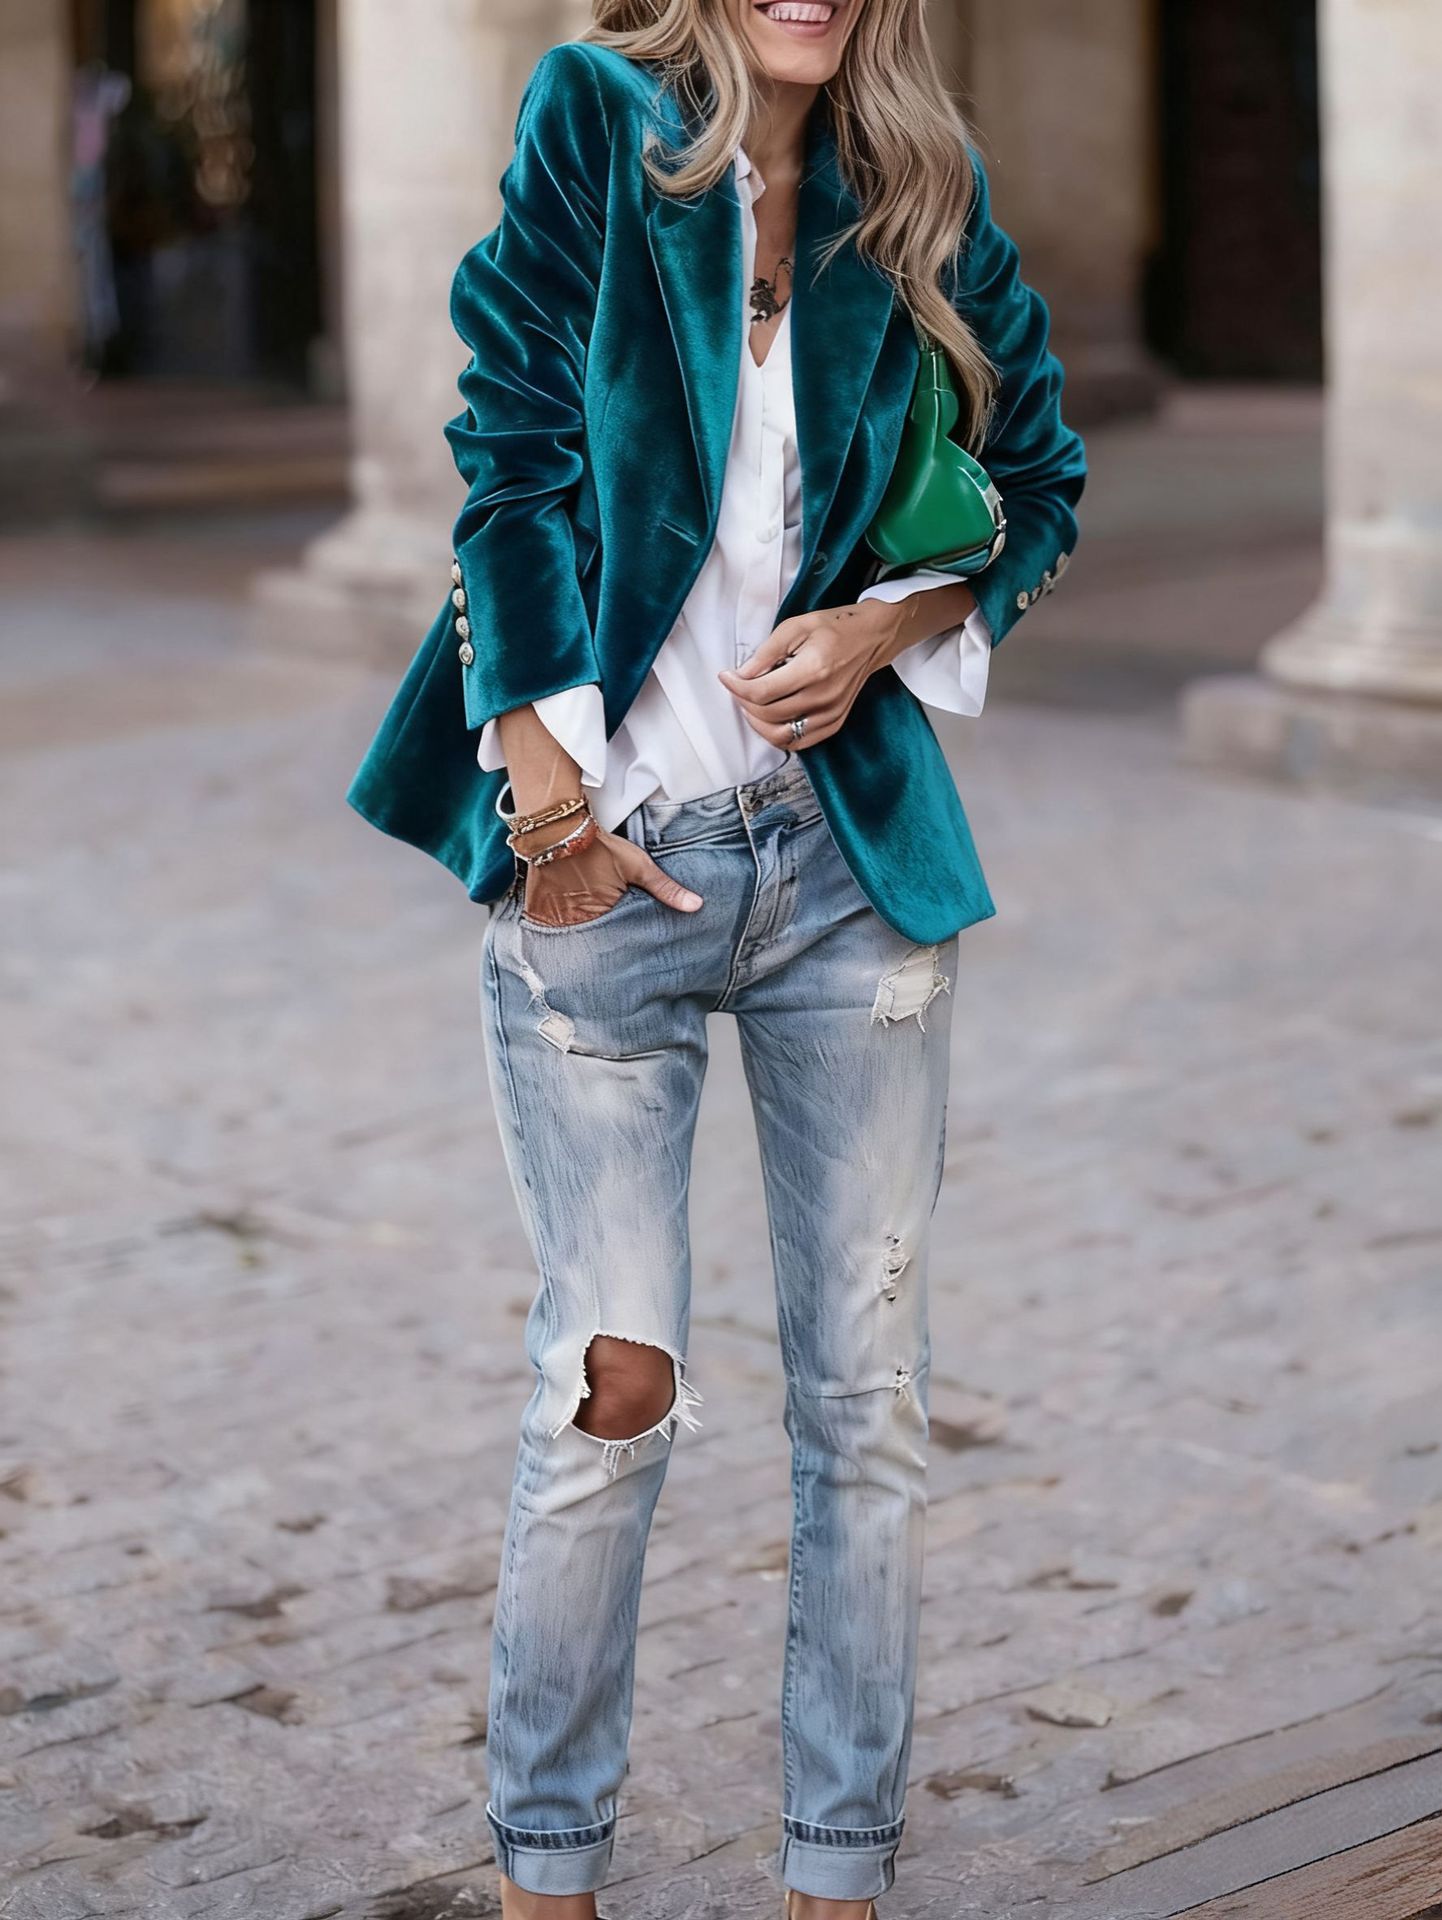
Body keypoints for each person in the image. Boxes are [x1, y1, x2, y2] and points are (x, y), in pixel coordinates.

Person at [347, 3, 1085, 1914]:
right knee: (609, 1395)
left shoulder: (917, 182)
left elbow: (1041, 481)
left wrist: (879, 628)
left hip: (843, 876)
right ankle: (548, 1878)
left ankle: (838, 1879)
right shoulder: (599, 117)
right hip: (613, 863)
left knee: (869, 1404)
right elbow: (512, 454)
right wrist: (548, 812)